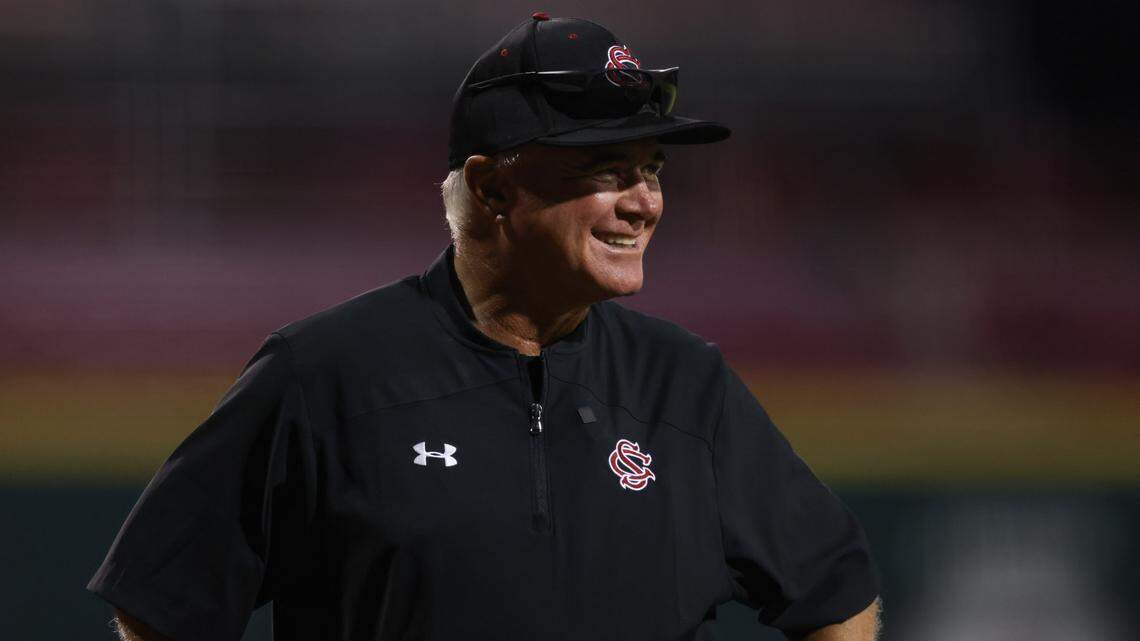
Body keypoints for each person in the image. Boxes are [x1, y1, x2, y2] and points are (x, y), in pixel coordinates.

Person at [89, 13, 882, 641]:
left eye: (651, 170)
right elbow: (165, 602)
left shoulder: (686, 386)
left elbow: (836, 591)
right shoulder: (325, 374)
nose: (643, 202)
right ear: (493, 187)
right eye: (607, 169)